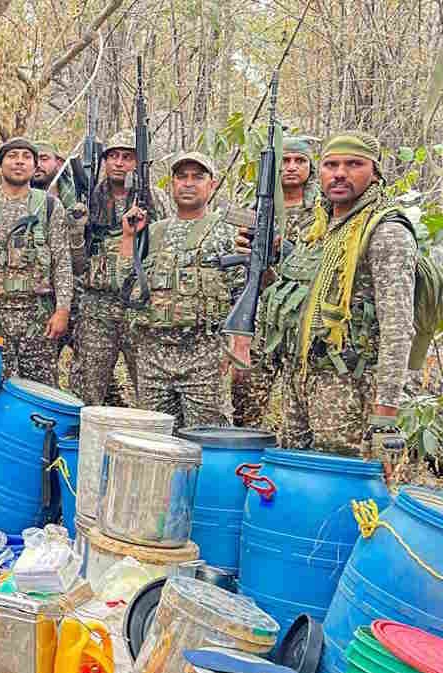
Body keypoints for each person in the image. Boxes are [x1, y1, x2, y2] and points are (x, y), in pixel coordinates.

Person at [256, 132, 415, 457]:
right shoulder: (317, 227)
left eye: (353, 164)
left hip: (349, 389)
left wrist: (385, 416)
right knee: (294, 476)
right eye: (331, 165)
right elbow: (295, 297)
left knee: (341, 481)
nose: (340, 173)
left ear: (375, 173)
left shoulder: (386, 232)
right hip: (300, 380)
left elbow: (398, 328)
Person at [124, 152, 240, 428]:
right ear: (172, 184)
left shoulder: (227, 232)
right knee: (156, 438)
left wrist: (239, 346)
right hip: (153, 356)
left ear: (212, 185)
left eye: (197, 177)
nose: (188, 183)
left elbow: (242, 291)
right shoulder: (153, 231)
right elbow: (126, 285)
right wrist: (129, 236)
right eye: (181, 177)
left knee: (207, 438)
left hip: (204, 355)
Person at [70, 130, 174, 406]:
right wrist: (77, 228)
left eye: (127, 157)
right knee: (86, 389)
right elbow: (75, 260)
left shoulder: (154, 198)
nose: (119, 163)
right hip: (97, 306)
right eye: (113, 156)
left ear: (138, 163)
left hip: (140, 306)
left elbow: (167, 245)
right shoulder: (89, 197)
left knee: (151, 390)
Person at [0, 137, 73, 384]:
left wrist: (62, 310)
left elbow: (62, 261)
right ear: (0, 165)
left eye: (26, 156)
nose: (19, 161)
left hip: (37, 319)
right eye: (12, 156)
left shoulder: (50, 206)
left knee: (40, 391)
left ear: (34, 166)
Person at [232, 135, 321, 428]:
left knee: (305, 409)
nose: (291, 167)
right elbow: (240, 270)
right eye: (285, 161)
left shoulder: (324, 210)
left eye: (300, 161)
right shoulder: (255, 208)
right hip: (262, 317)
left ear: (311, 167)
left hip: (304, 318)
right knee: (246, 401)